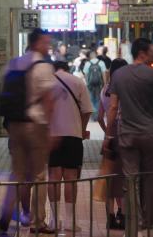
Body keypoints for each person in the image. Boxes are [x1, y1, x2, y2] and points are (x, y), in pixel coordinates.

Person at [0, 28, 57, 234]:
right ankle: (38, 222)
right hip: (36, 124)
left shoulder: (13, 64)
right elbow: (48, 101)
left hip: (14, 125)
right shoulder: (43, 66)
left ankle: (6, 213)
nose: (48, 46)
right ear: (36, 43)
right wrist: (50, 129)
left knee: (17, 172)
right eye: (45, 42)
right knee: (40, 174)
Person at [105, 38, 153, 233]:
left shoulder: (119, 75)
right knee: (149, 179)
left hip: (127, 134)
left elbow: (113, 107)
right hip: (149, 133)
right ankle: (148, 223)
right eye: (152, 51)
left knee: (130, 180)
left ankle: (132, 224)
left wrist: (108, 136)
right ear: (143, 53)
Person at [46, 60, 93, 231]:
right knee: (71, 179)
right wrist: (82, 129)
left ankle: (53, 220)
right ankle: (70, 221)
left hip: (52, 137)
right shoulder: (78, 81)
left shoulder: (47, 82)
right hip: (73, 136)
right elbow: (87, 110)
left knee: (53, 177)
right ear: (67, 68)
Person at [97, 58, 129, 230]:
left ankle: (110, 217)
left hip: (110, 137)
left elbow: (99, 116)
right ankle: (123, 215)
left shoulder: (104, 89)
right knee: (122, 179)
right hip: (124, 134)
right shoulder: (126, 88)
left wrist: (107, 132)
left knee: (109, 178)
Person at [83, 50, 107, 121]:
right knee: (99, 99)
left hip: (90, 84)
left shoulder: (87, 63)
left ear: (90, 56)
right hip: (99, 84)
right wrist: (105, 84)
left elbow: (86, 74)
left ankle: (94, 115)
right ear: (96, 55)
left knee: (91, 99)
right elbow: (104, 74)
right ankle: (98, 115)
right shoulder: (101, 63)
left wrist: (87, 83)